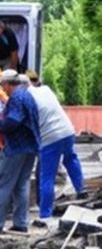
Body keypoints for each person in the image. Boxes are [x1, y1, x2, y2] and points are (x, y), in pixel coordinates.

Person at [0, 69, 40, 234]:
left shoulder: (16, 98)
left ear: (7, 84)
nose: (2, 88)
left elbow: (13, 121)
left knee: (3, 184)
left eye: (3, 85)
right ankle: (20, 223)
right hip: (31, 147)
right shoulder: (28, 96)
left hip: (16, 148)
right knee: (21, 184)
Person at [27, 83, 85, 221]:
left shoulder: (26, 98)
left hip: (50, 138)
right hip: (67, 131)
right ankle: (81, 191)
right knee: (71, 159)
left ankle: (45, 214)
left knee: (47, 176)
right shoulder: (45, 90)